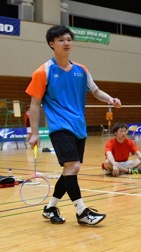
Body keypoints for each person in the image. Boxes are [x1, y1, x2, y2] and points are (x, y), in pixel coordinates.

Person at [25, 25, 122, 226]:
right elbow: (34, 104)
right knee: (73, 166)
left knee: (69, 170)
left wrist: (110, 99)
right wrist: (34, 133)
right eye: (61, 40)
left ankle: (50, 207)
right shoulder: (43, 71)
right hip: (59, 127)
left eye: (69, 39)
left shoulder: (81, 70)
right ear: (52, 44)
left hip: (79, 126)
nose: (66, 43)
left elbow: (95, 91)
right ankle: (82, 212)